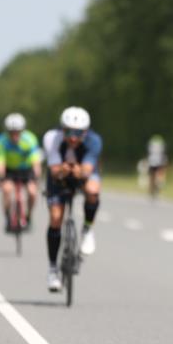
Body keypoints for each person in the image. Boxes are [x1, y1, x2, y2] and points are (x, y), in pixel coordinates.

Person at [42, 107, 102, 292]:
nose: (73, 137)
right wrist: (63, 170)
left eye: (78, 133)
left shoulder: (94, 141)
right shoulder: (52, 138)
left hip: (82, 173)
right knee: (55, 217)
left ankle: (87, 229)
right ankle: (53, 269)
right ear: (62, 129)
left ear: (86, 132)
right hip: (58, 177)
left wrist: (78, 172)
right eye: (68, 132)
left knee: (92, 190)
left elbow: (87, 170)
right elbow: (54, 170)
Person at [0, 113, 42, 231]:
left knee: (32, 192)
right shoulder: (1, 141)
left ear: (22, 131)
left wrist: (36, 177)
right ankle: (7, 218)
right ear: (7, 132)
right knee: (6, 190)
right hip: (10, 170)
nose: (15, 135)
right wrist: (1, 176)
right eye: (11, 132)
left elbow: (36, 161)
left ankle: (29, 216)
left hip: (26, 169)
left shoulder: (30, 139)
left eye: (18, 132)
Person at [146, 134, 168, 198]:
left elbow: (148, 153)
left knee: (151, 176)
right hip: (159, 161)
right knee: (159, 174)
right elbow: (164, 153)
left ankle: (151, 190)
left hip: (152, 161)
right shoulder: (162, 145)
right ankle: (157, 187)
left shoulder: (151, 145)